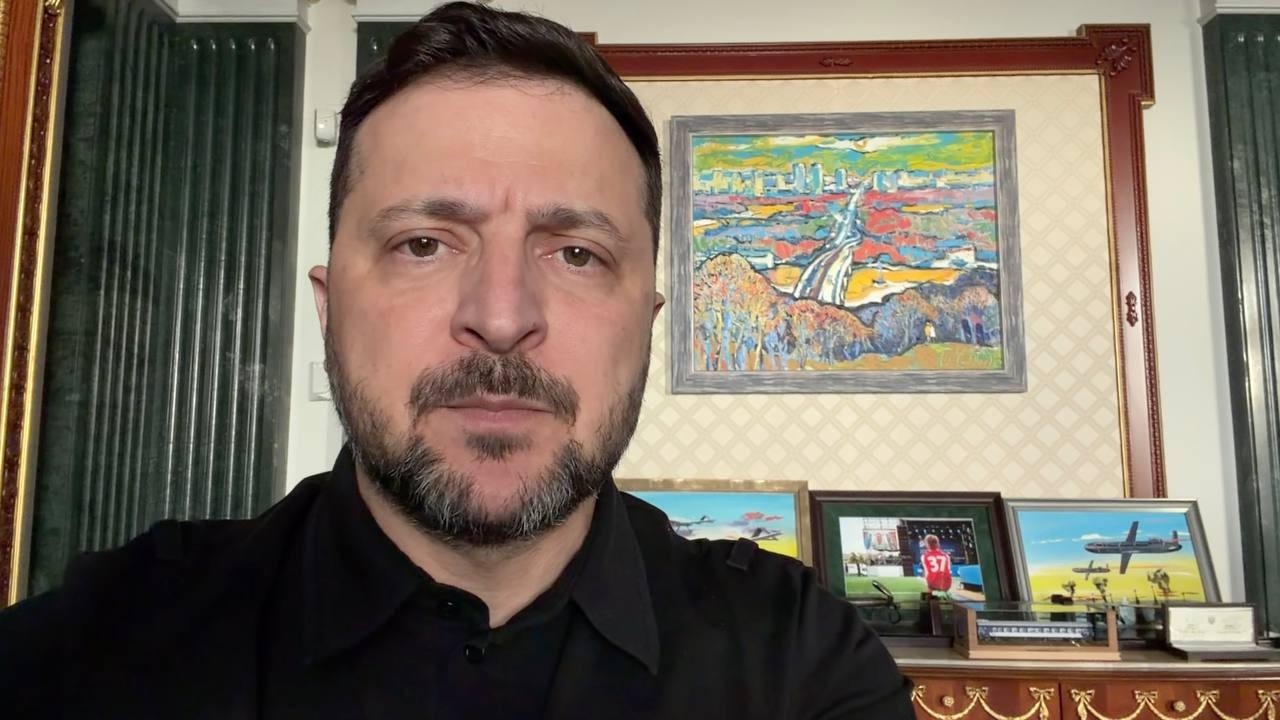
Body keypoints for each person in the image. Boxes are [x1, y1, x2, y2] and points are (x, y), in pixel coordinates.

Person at [0, 3, 913, 717]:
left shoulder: (801, 665)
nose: (502, 318)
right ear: (329, 307)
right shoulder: (95, 652)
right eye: (425, 245)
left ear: (647, 324)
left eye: (577, 253)